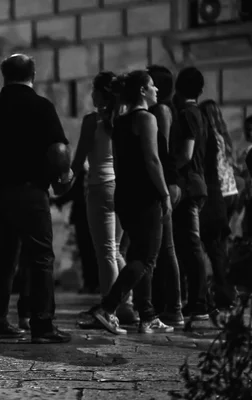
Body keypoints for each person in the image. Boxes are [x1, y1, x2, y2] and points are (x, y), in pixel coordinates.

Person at [0, 53, 72, 343]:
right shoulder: (42, 107)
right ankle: (42, 325)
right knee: (40, 257)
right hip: (31, 192)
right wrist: (62, 180)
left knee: (0, 259)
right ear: (32, 74)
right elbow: (59, 151)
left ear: (3, 75)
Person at [90, 70, 174, 335]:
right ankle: (108, 306)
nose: (156, 90)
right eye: (152, 86)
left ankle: (147, 315)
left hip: (124, 195)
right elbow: (152, 159)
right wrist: (165, 193)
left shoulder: (119, 122)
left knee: (138, 254)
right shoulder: (146, 119)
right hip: (144, 195)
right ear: (141, 91)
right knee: (146, 258)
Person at [70, 71, 138, 326]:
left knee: (106, 252)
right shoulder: (127, 120)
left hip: (100, 187)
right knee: (117, 250)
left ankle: (108, 311)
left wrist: (61, 182)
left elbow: (78, 162)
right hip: (124, 188)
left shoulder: (93, 121)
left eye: (93, 90)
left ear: (100, 94)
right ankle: (126, 305)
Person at [171, 66, 211, 320]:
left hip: (188, 185)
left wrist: (167, 167)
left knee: (191, 245)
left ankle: (199, 302)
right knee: (188, 246)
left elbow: (185, 154)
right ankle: (197, 300)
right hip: (197, 183)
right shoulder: (200, 114)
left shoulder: (187, 114)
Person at [146, 65, 183, 326]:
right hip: (168, 183)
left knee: (166, 247)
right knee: (162, 247)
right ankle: (165, 304)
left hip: (166, 183)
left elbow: (161, 152)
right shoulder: (162, 110)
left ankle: (174, 306)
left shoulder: (160, 111)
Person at [199, 100, 238, 310]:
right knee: (220, 245)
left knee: (213, 246)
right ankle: (225, 289)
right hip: (231, 192)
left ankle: (222, 292)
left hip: (218, 195)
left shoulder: (208, 137)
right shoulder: (223, 136)